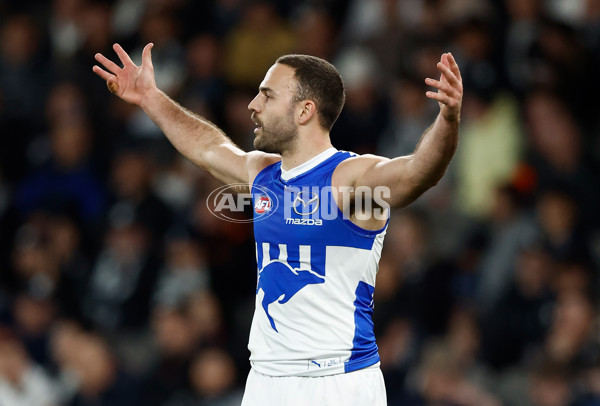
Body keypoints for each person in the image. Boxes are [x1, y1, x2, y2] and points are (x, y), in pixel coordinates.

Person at [92, 42, 462, 405]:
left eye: (267, 96)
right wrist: (151, 98)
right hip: (266, 381)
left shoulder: (349, 179)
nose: (253, 106)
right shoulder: (263, 174)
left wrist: (447, 119)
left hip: (336, 382)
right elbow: (206, 147)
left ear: (304, 111)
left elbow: (417, 173)